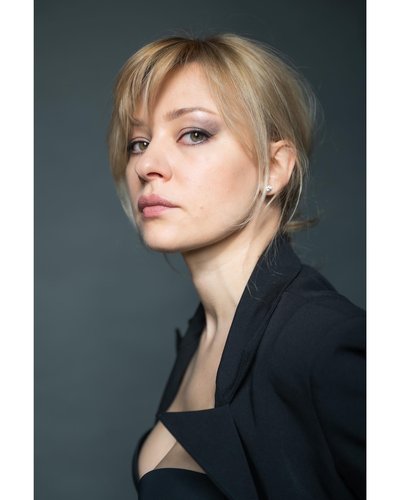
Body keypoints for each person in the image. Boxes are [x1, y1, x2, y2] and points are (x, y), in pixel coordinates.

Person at [108, 34, 365, 500]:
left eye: (194, 134)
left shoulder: (325, 343)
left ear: (274, 167)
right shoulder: (204, 335)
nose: (147, 165)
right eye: (138, 142)